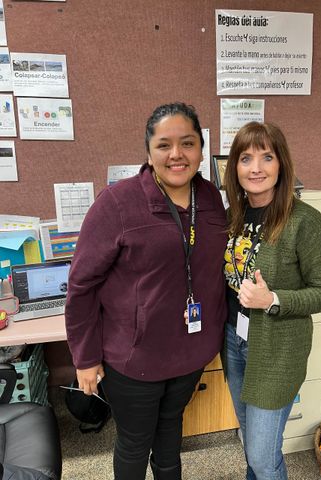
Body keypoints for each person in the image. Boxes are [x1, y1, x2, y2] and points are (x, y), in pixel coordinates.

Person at [65, 102, 228, 480]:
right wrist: (85, 358)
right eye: (164, 145)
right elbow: (82, 285)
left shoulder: (210, 199)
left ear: (202, 149)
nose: (176, 154)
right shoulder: (118, 203)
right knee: (136, 442)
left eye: (188, 143)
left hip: (191, 353)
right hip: (134, 359)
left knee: (171, 435)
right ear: (149, 151)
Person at [222, 121, 321, 480]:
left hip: (276, 351)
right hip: (234, 342)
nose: (256, 168)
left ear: (281, 164)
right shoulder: (235, 216)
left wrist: (272, 299)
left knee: (262, 454)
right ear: (235, 168)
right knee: (251, 443)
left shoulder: (304, 221)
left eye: (266, 157)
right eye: (246, 158)